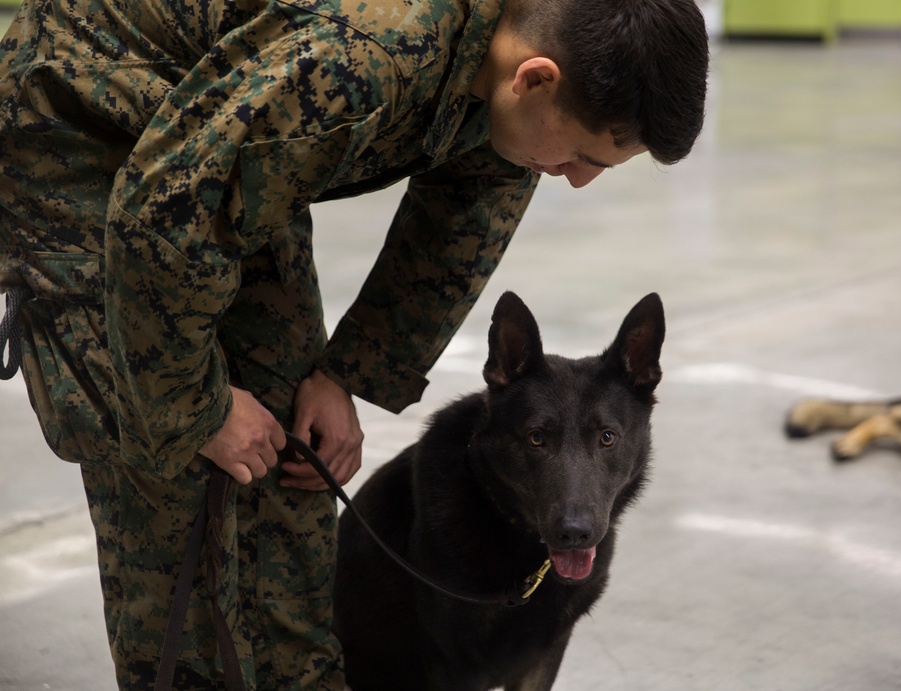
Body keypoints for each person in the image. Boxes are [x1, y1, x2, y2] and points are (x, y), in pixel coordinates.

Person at [0, 0, 709, 687]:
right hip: (77, 130)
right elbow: (159, 221)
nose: (580, 180)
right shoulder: (365, 55)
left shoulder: (517, 80)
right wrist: (197, 408)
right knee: (173, 484)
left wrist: (345, 373)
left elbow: (462, 224)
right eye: (585, 155)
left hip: (209, 140)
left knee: (289, 457)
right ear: (536, 78)